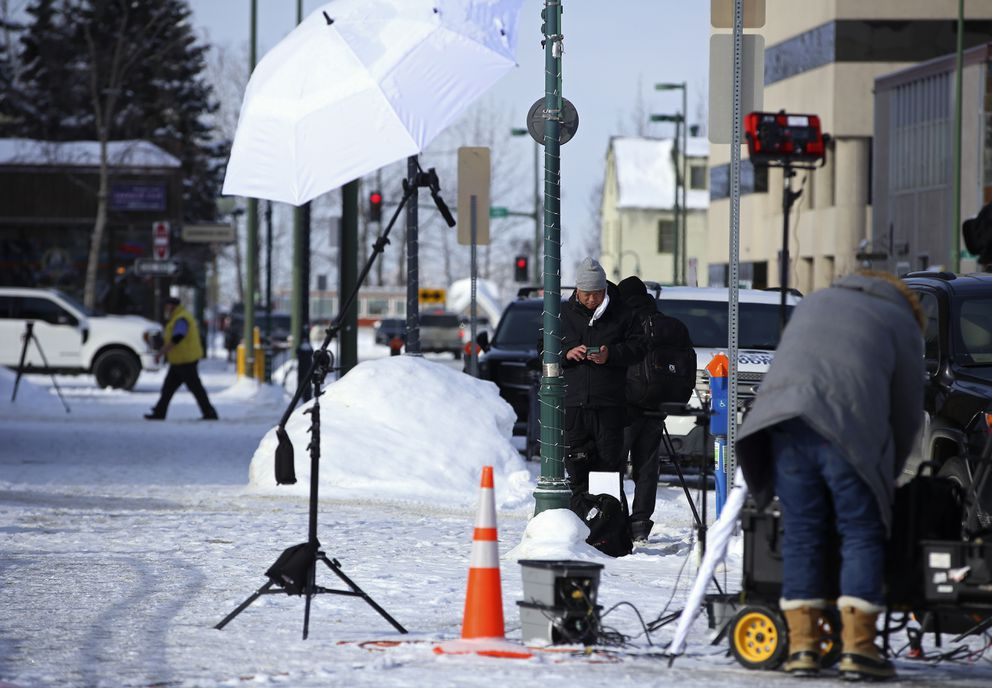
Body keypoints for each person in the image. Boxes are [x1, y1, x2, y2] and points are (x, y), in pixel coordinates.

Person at [736, 271, 925, 680]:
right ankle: (859, 649)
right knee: (861, 531)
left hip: (783, 426)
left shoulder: (816, 302)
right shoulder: (900, 320)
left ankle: (803, 647)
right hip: (847, 431)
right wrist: (885, 477)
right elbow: (909, 410)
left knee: (802, 532)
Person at [561, 257, 647, 509]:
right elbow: (543, 349)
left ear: (605, 290)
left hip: (609, 406)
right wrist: (567, 354)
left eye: (597, 294)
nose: (591, 299)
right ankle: (579, 521)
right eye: (586, 294)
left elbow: (639, 348)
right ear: (577, 291)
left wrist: (611, 354)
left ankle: (608, 527)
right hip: (574, 405)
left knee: (609, 468)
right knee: (576, 468)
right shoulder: (563, 315)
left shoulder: (623, 314)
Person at [617, 275, 664, 545]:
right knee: (647, 467)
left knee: (614, 464)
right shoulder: (662, 321)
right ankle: (640, 523)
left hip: (626, 403)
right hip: (657, 405)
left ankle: (616, 515)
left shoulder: (625, 320)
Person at [145, 296, 218, 421]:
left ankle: (210, 413)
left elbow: (177, 338)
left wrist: (161, 352)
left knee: (195, 388)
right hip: (180, 360)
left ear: (172, 306)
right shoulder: (178, 317)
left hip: (186, 360)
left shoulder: (181, 318)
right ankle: (159, 411)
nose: (166, 309)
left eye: (167, 306)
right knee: (169, 388)